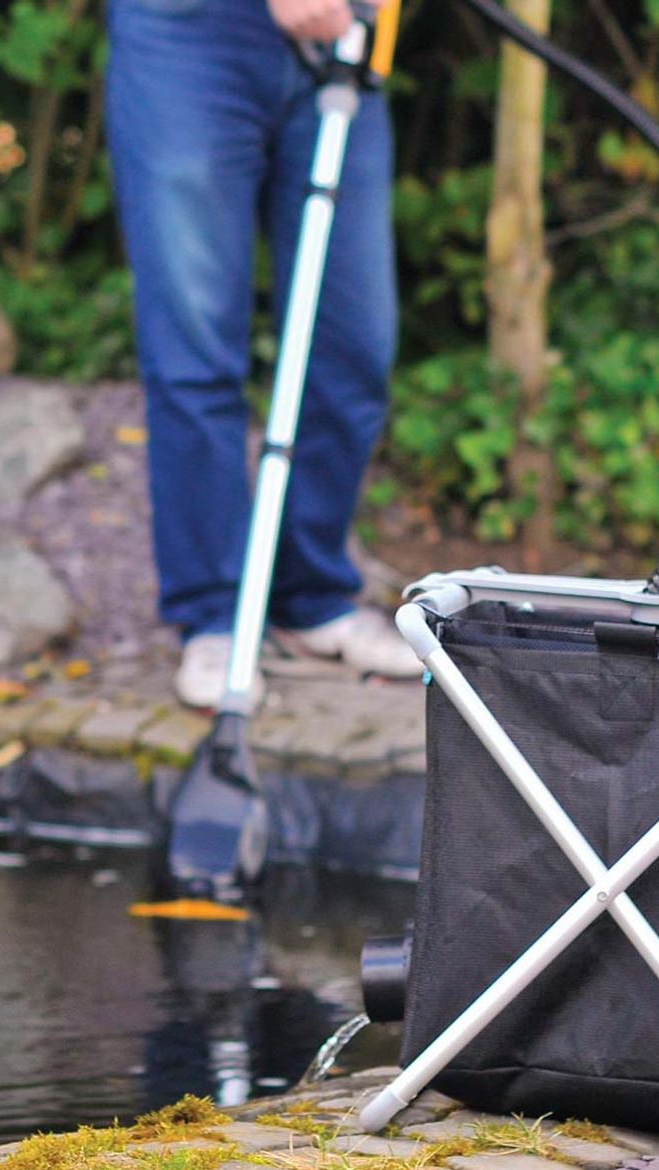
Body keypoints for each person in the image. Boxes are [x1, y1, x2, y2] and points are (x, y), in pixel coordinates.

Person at [106, 0, 420, 708]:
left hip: (346, 29)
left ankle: (309, 599)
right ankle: (214, 614)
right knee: (194, 344)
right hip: (187, 32)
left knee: (352, 347)